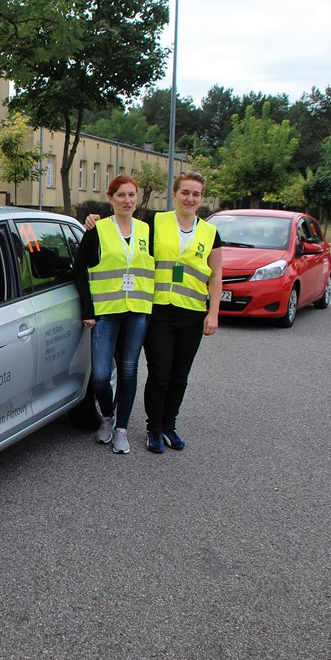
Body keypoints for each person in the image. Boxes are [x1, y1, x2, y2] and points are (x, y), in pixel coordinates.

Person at [83, 170, 222, 454]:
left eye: (196, 193)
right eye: (185, 192)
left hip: (193, 311)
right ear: (174, 194)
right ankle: (154, 429)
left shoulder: (210, 233)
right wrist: (93, 219)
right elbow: (122, 227)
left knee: (179, 375)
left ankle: (169, 426)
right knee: (159, 373)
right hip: (157, 310)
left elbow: (216, 276)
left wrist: (214, 313)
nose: (190, 198)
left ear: (201, 197)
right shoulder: (155, 223)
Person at [72, 176, 154, 454]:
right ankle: (106, 417)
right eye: (121, 195)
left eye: (132, 195)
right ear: (111, 198)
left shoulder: (146, 230)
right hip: (105, 313)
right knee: (101, 375)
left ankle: (121, 429)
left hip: (137, 312)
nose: (127, 201)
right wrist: (88, 310)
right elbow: (79, 270)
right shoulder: (98, 229)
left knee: (129, 370)